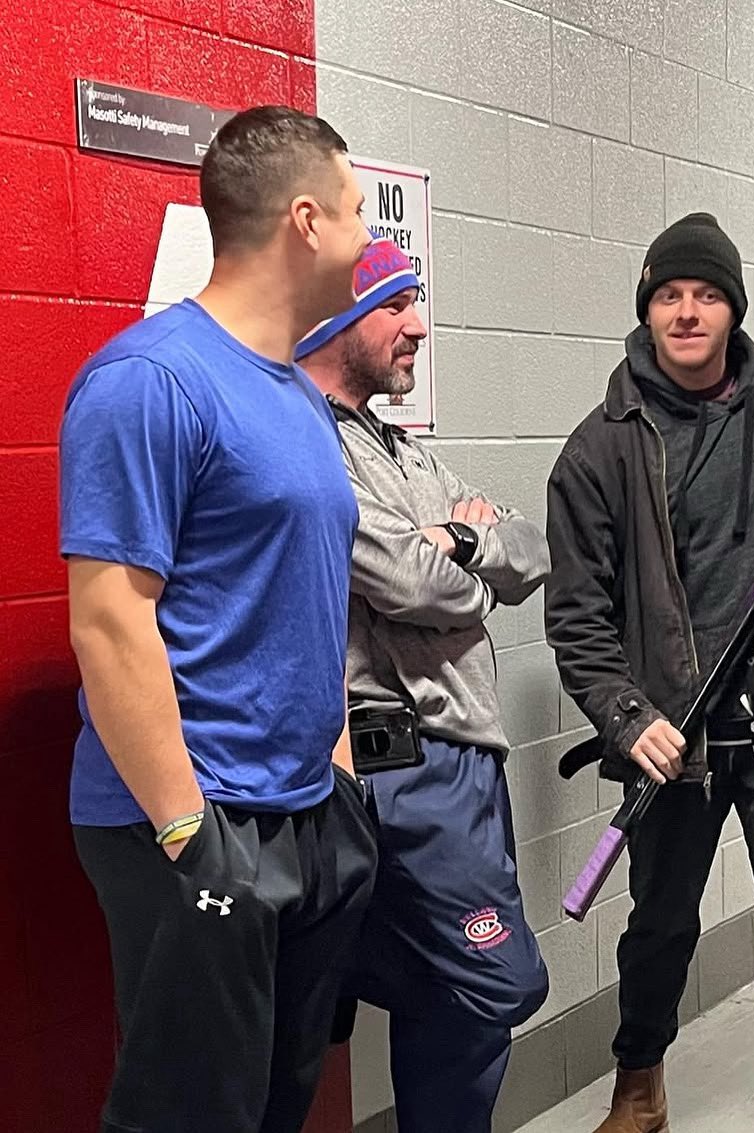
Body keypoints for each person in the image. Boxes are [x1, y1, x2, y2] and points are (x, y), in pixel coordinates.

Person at [60, 106, 378, 1133]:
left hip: (302, 813)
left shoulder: (291, 392)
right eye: (358, 215)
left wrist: (337, 784)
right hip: (195, 822)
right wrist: (190, 832)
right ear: (304, 222)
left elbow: (309, 593)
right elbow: (109, 620)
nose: (369, 241)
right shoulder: (148, 380)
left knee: (277, 1104)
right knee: (191, 1116)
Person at [545, 213, 754, 1133]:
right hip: (673, 732)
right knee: (659, 923)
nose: (686, 313)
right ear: (646, 310)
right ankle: (637, 1089)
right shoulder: (600, 446)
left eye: (706, 295)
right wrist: (624, 716)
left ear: (733, 308)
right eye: (668, 295)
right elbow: (575, 615)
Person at [297, 237, 550, 1133]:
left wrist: (463, 540)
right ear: (338, 316)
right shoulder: (307, 440)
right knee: (495, 981)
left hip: (461, 759)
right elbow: (406, 582)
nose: (419, 326)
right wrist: (447, 553)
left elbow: (530, 547)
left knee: (432, 987)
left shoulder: (398, 449)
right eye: (398, 305)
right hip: (400, 763)